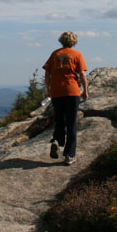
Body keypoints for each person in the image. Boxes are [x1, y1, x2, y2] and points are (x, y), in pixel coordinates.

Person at [43, 31, 89, 166]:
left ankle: (57, 141)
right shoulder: (76, 55)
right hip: (72, 91)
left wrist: (48, 89)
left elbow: (47, 73)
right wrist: (85, 90)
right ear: (74, 42)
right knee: (71, 123)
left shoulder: (55, 54)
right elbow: (82, 74)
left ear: (61, 40)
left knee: (59, 120)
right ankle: (69, 155)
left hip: (57, 91)